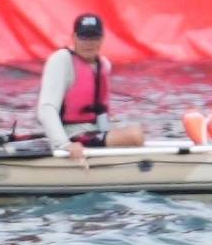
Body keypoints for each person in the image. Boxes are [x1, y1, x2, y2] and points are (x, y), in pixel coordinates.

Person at [36, 13, 144, 157]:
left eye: (94, 37)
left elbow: (101, 112)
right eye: (84, 37)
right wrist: (64, 144)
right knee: (134, 135)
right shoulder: (61, 60)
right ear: (74, 38)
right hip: (71, 135)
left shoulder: (103, 65)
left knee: (138, 131)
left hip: (92, 133)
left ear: (102, 40)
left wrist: (109, 136)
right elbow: (46, 108)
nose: (89, 43)